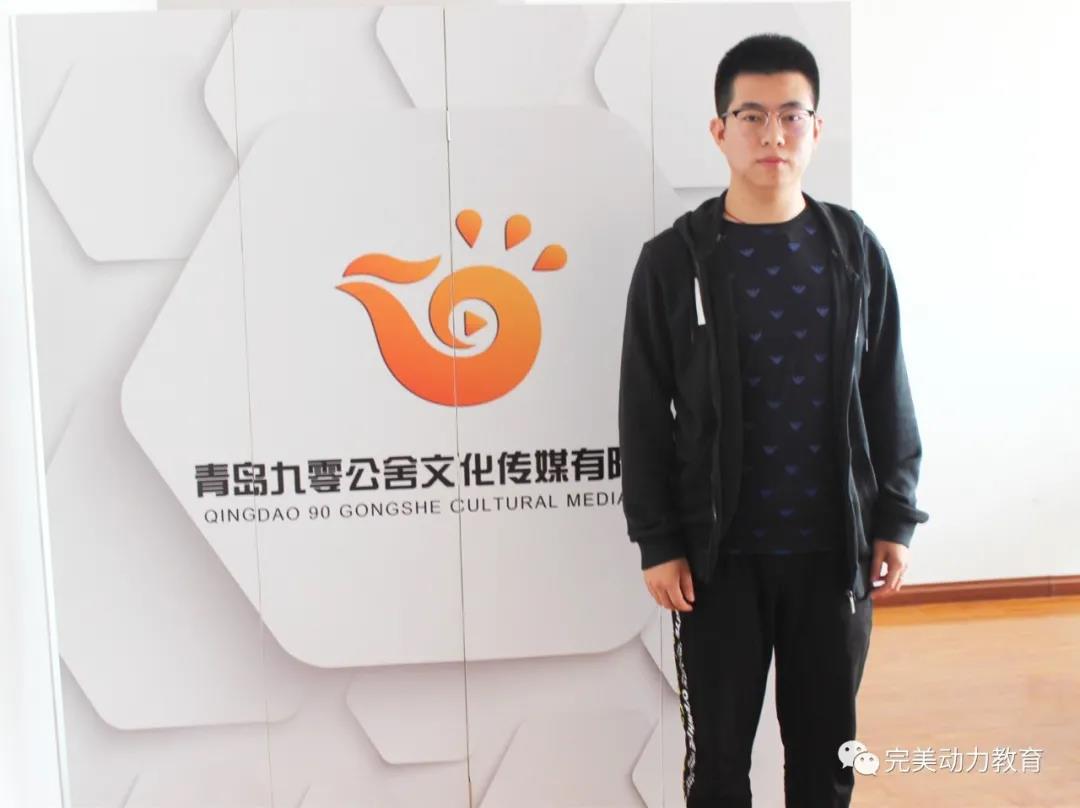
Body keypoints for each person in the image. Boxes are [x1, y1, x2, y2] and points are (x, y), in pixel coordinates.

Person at [617, 33, 929, 808]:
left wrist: (895, 516)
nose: (773, 134)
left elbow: (886, 389)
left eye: (791, 116)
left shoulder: (853, 250)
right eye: (751, 116)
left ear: (816, 130)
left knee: (825, 760)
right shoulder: (673, 261)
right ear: (719, 131)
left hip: (833, 554)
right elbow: (644, 408)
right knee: (718, 765)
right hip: (716, 562)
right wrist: (658, 539)